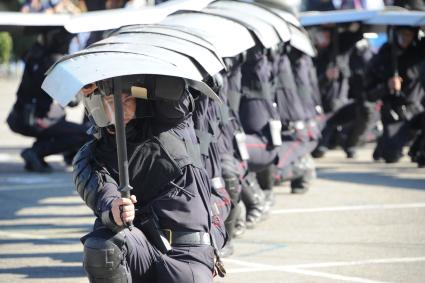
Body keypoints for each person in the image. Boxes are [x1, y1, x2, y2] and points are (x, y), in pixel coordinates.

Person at [74, 75, 225, 282]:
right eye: (110, 102)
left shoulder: (171, 123)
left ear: (140, 99)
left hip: (187, 254)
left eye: (127, 100)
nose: (120, 108)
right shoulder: (93, 156)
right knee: (102, 246)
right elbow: (104, 194)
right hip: (140, 250)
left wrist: (117, 79)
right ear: (97, 107)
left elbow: (173, 90)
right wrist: (115, 209)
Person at [6, 28, 90, 172]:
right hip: (36, 119)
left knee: (62, 122)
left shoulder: (34, 53)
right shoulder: (53, 60)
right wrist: (85, 86)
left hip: (19, 116)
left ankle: (40, 154)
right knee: (86, 132)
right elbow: (73, 101)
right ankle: (36, 152)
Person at [365, 26, 425, 163]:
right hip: (396, 112)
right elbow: (369, 92)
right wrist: (387, 86)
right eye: (402, 34)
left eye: (409, 35)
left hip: (418, 109)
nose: (405, 38)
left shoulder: (420, 51)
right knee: (391, 156)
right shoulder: (384, 55)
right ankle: (383, 145)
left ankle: (418, 149)